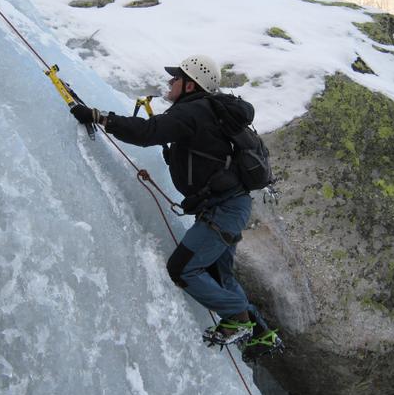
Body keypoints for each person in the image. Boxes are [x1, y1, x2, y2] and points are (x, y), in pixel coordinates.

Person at [70, 55, 282, 361]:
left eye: (176, 78)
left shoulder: (194, 110)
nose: (170, 83)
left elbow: (147, 133)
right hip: (228, 207)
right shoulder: (210, 111)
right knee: (219, 276)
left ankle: (237, 317)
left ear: (190, 84)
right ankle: (261, 334)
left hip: (223, 210)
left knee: (182, 268)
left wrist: (100, 117)